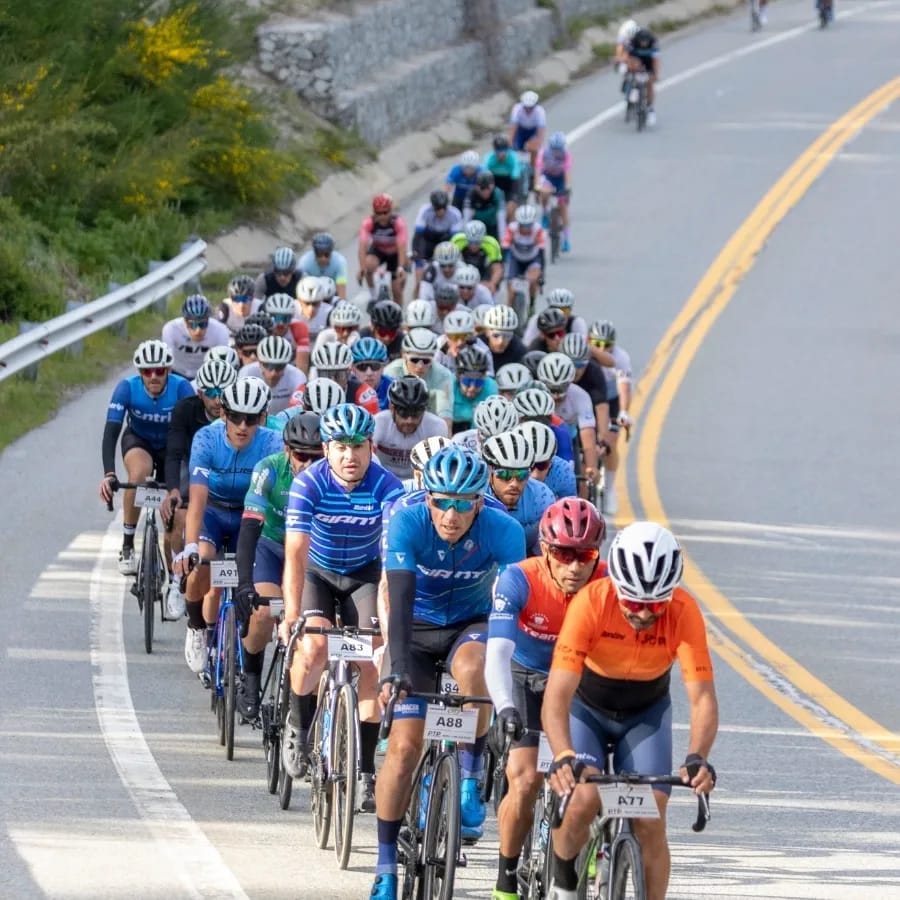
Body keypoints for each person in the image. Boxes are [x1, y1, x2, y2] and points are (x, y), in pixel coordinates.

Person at [371, 446, 527, 900]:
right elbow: (396, 602)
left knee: (475, 667)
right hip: (415, 629)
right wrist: (395, 669)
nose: (451, 514)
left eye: (463, 503)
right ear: (427, 498)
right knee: (402, 749)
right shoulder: (408, 520)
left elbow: (508, 608)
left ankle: (471, 773)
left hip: (471, 624)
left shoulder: (505, 531)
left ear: (480, 501)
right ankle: (384, 867)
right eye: (441, 501)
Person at [542, 522, 718, 900]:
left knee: (650, 816)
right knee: (583, 797)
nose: (643, 613)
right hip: (586, 708)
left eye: (655, 604)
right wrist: (564, 755)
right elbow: (557, 695)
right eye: (633, 603)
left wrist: (697, 756)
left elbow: (702, 697)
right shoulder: (591, 602)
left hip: (645, 713)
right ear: (616, 586)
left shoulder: (684, 611)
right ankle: (564, 886)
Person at [282, 404, 405, 812]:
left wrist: (389, 636)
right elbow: (295, 556)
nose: (349, 456)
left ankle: (366, 770)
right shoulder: (309, 484)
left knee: (371, 660)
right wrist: (292, 615)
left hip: (364, 574)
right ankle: (298, 727)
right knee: (314, 649)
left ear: (372, 447)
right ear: (326, 448)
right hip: (318, 572)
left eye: (357, 446)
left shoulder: (388, 488)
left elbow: (390, 568)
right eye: (339, 447)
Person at [485, 499, 607, 900]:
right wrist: (503, 707)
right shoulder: (518, 578)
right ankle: (505, 880)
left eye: (584, 555)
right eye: (563, 554)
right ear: (544, 549)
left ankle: (583, 840)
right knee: (523, 780)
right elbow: (497, 654)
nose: (574, 567)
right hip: (524, 676)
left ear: (597, 555)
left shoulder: (607, 584)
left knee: (587, 775)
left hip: (577, 681)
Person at [175, 377, 282, 674]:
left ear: (263, 418)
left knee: (251, 577)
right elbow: (197, 499)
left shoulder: (273, 442)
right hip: (213, 510)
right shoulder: (206, 440)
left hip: (250, 516)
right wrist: (191, 547)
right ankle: (197, 626)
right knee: (202, 566)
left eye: (251, 419)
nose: (243, 426)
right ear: (223, 414)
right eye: (235, 417)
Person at [233, 413, 324, 719]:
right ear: (287, 450)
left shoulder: (331, 478)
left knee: (316, 628)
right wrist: (244, 582)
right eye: (301, 456)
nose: (308, 464)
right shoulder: (268, 469)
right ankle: (251, 676)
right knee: (262, 612)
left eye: (316, 456)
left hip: (312, 556)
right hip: (271, 547)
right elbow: (248, 529)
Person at [99, 340, 194, 575]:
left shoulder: (182, 389)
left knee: (174, 515)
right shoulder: (127, 388)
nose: (153, 376)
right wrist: (109, 474)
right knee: (138, 474)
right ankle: (128, 544)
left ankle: (173, 576)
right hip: (139, 441)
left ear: (168, 371)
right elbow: (111, 432)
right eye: (147, 371)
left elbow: (194, 436)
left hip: (173, 448)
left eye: (159, 371)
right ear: (139, 372)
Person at [163, 358, 238, 618]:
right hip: (192, 464)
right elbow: (172, 453)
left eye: (223, 393)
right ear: (200, 393)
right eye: (212, 393)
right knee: (179, 514)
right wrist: (173, 490)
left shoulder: (240, 416)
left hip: (228, 475)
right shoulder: (185, 409)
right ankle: (177, 579)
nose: (218, 400)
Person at [483, 431, 556, 556]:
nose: (514, 484)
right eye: (505, 475)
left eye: (522, 475)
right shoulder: (478, 494)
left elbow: (548, 556)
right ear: (490, 472)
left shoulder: (542, 496)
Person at [588, 320, 634, 515]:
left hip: (611, 398)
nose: (602, 349)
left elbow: (624, 387)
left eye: (607, 345)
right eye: (597, 344)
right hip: (590, 396)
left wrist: (623, 411)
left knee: (610, 441)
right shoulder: (586, 353)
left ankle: (610, 489)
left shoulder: (621, 357)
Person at [537, 353, 599, 494]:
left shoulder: (581, 396)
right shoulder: (535, 394)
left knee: (579, 481)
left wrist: (591, 467)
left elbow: (588, 434)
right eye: (552, 390)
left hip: (570, 439)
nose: (556, 396)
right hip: (541, 440)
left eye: (561, 389)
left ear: (570, 382)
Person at [373, 376, 449, 479]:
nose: (409, 420)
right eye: (403, 412)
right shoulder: (378, 422)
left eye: (415, 413)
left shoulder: (437, 426)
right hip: (383, 480)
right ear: (391, 408)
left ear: (424, 410)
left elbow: (441, 466)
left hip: (420, 481)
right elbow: (368, 458)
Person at [383, 329, 454, 431]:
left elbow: (445, 417)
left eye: (426, 361)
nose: (420, 366)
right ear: (404, 355)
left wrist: (446, 444)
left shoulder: (443, 375)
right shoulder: (390, 372)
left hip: (427, 428)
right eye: (414, 360)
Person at [162, 294, 230, 380]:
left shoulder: (220, 330)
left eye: (202, 324)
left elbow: (221, 364)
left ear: (208, 320)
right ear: (185, 321)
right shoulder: (171, 329)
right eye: (193, 325)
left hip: (206, 375)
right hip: (178, 373)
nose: (198, 330)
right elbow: (166, 361)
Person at [358, 193, 409, 305]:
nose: (382, 216)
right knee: (368, 265)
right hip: (379, 249)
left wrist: (400, 267)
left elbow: (401, 247)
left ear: (390, 210)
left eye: (385, 212)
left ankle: (398, 314)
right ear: (374, 212)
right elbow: (362, 246)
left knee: (397, 290)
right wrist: (362, 268)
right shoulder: (368, 223)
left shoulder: (398, 223)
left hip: (395, 253)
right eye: (378, 213)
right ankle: (373, 295)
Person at [238, 335, 307, 415]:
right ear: (259, 363)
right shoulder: (247, 373)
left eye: (279, 367)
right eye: (268, 366)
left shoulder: (298, 376)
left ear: (286, 365)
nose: (273, 373)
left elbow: (300, 411)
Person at [310, 340, 378, 415]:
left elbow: (374, 422)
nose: (332, 381)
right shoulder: (305, 391)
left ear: (349, 372)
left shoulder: (363, 392)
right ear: (317, 373)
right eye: (327, 375)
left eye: (338, 375)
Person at [412, 190, 463, 290]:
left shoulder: (455, 214)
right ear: (432, 206)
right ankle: (417, 299)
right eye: (437, 208)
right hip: (428, 241)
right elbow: (418, 236)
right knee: (420, 279)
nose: (441, 211)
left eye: (443, 208)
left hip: (446, 240)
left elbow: (455, 241)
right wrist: (418, 258)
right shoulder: (425, 211)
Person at [513, 384, 575, 464]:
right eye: (530, 420)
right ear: (519, 419)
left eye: (543, 420)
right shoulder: (509, 435)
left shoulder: (561, 434)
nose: (537, 425)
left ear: (551, 418)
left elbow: (567, 468)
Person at [502, 204, 546, 312]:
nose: (525, 229)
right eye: (523, 225)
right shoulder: (512, 229)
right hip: (516, 259)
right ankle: (509, 309)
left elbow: (541, 254)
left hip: (532, 259)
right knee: (511, 288)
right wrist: (504, 266)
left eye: (528, 226)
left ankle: (531, 304)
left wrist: (541, 274)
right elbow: (504, 247)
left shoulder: (538, 230)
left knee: (533, 279)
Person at [517, 420, 576, 500]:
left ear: (552, 461)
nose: (535, 475)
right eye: (529, 467)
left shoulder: (563, 472)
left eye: (542, 465)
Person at [536, 131, 574, 252]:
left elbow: (567, 174)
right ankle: (545, 213)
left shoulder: (566, 155)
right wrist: (537, 186)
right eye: (554, 149)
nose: (556, 152)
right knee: (544, 192)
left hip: (560, 179)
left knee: (563, 207)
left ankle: (566, 240)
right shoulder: (543, 153)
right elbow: (538, 171)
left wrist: (567, 188)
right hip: (547, 177)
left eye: (558, 149)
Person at [451, 393, 519, 455]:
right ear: (479, 430)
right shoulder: (461, 440)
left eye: (500, 440)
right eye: (486, 437)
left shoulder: (519, 444)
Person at [451, 345, 497, 434]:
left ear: (484, 377)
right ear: (458, 377)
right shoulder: (448, 384)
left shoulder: (492, 387)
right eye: (467, 381)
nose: (472, 388)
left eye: (478, 382)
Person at [521, 287, 590, 347]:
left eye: (564, 310)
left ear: (570, 310)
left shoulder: (577, 322)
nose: (561, 314)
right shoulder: (537, 320)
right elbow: (527, 344)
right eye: (556, 309)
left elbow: (583, 347)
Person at [450, 220, 504, 294]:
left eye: (477, 242)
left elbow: (497, 268)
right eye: (470, 242)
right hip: (463, 270)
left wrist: (492, 283)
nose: (473, 246)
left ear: (484, 237)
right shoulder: (457, 241)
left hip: (484, 272)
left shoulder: (492, 244)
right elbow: (449, 263)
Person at [264, 292, 310, 374]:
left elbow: (302, 367)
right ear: (268, 316)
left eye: (286, 318)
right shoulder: (263, 328)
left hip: (291, 369)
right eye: (277, 318)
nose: (281, 323)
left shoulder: (299, 327)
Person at [624, 25, 660, 126]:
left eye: (645, 41)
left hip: (649, 60)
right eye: (642, 41)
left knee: (650, 83)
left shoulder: (654, 43)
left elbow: (656, 61)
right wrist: (631, 69)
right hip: (636, 59)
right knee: (633, 70)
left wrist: (655, 74)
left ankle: (650, 108)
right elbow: (629, 59)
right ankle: (634, 88)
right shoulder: (632, 43)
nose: (643, 43)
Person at [483, 133, 523, 224]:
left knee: (511, 208)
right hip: (494, 181)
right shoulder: (489, 157)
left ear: (508, 149)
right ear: (494, 150)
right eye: (498, 150)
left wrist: (512, 201)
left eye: (503, 150)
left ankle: (510, 227)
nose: (501, 154)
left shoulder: (513, 157)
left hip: (510, 181)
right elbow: (483, 173)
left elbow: (515, 176)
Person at [296, 232, 349, 299]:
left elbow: (341, 292)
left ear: (331, 252)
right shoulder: (304, 263)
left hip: (332, 293)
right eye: (319, 254)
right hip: (311, 293)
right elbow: (301, 290)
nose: (323, 258)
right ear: (314, 253)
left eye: (326, 254)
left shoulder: (340, 262)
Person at [464, 170, 507, 242]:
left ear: (493, 186)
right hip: (476, 227)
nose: (485, 192)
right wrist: (466, 237)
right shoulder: (471, 194)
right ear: (476, 186)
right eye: (482, 188)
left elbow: (501, 219)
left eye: (488, 188)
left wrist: (502, 240)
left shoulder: (498, 194)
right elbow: (466, 218)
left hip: (493, 226)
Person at [351, 336, 393, 410]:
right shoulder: (346, 389)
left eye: (375, 366)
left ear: (383, 368)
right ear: (353, 369)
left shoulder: (393, 388)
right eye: (362, 367)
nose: (369, 373)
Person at [508, 90, 547, 169]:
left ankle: (534, 168)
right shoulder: (517, 109)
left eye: (531, 108)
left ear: (535, 105)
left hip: (533, 131)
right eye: (526, 107)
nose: (528, 110)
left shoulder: (540, 111)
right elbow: (513, 127)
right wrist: (510, 142)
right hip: (521, 130)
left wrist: (538, 144)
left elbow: (541, 131)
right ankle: (515, 168)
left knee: (533, 148)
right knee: (514, 149)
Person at [481, 304, 527, 370]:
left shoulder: (519, 351)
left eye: (507, 336)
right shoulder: (477, 346)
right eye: (496, 335)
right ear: (487, 332)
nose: (501, 341)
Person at [295, 276, 334, 345]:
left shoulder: (330, 313)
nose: (311, 309)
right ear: (299, 300)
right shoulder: (292, 310)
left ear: (321, 300)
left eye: (315, 304)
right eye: (306, 303)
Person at [444, 149, 483, 213]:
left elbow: (485, 190)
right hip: (459, 197)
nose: (468, 171)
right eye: (465, 167)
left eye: (471, 168)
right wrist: (444, 200)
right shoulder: (456, 170)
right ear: (461, 165)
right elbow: (448, 187)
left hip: (475, 197)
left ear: (476, 167)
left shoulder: (481, 172)